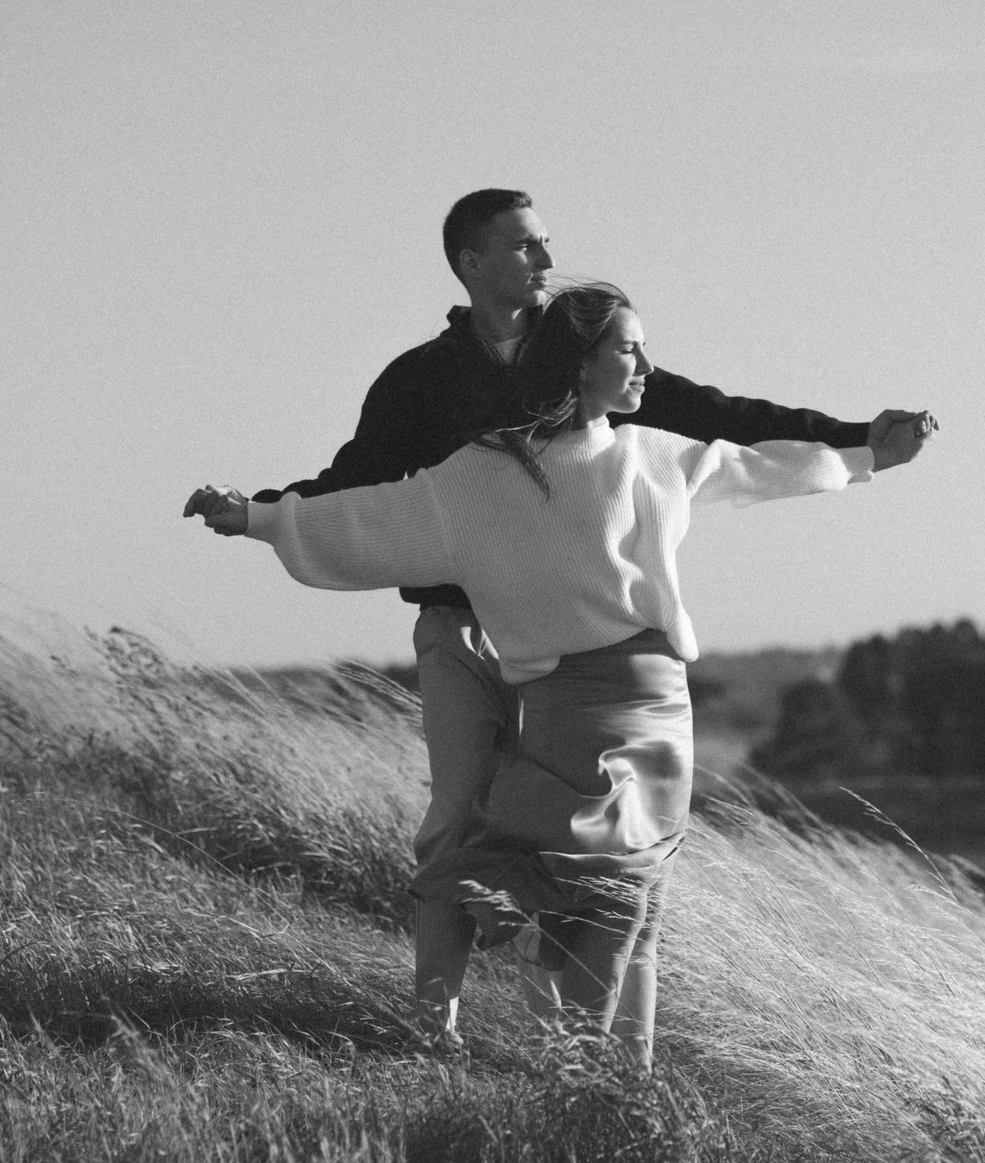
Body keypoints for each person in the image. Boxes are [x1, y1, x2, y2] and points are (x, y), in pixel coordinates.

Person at [185, 188, 932, 1042]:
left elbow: (725, 428)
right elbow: (365, 497)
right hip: (467, 630)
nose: (544, 260)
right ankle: (440, 1030)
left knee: (612, 865)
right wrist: (263, 511)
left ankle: (594, 1052)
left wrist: (859, 440)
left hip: (594, 665)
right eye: (524, 246)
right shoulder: (425, 383)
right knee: (466, 822)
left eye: (546, 244)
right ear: (471, 264)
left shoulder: (597, 353)